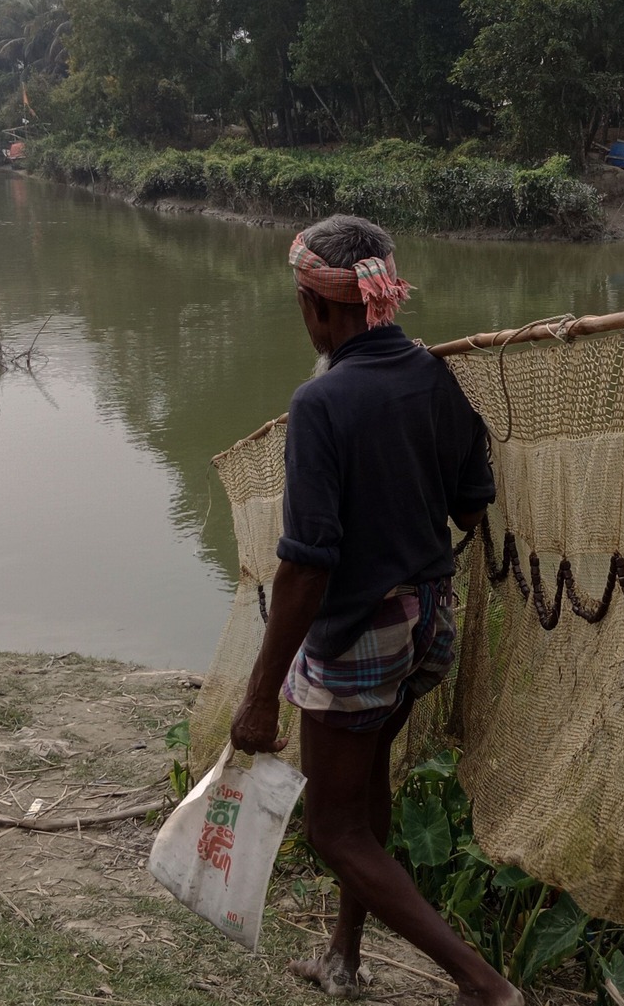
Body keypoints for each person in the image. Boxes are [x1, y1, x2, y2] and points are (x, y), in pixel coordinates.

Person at [230, 215, 518, 1006]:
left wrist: (259, 695)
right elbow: (470, 501)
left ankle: (485, 986)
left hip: (362, 633)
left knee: (332, 829)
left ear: (315, 307)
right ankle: (344, 956)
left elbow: (306, 565)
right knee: (364, 786)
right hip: (430, 623)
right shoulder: (430, 373)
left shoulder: (319, 402)